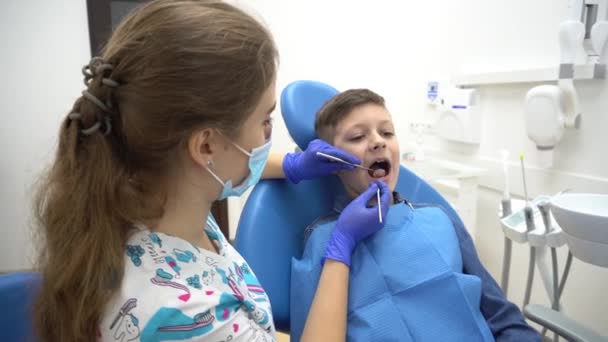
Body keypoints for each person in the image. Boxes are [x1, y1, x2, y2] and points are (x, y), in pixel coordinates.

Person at [32, 1, 390, 341]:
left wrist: (294, 165)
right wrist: (340, 248)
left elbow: (229, 160)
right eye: (265, 120)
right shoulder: (184, 318)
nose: (269, 134)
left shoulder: (149, 196)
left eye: (387, 132)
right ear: (205, 147)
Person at [290, 89, 542, 341]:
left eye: (387, 132)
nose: (379, 141)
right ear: (332, 162)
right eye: (357, 136)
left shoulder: (439, 218)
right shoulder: (323, 240)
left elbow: (502, 317)